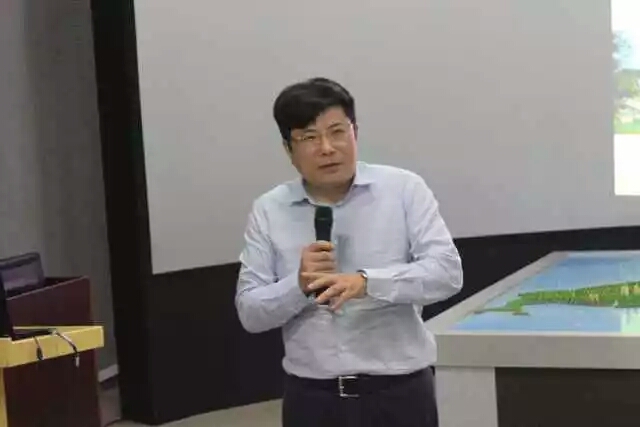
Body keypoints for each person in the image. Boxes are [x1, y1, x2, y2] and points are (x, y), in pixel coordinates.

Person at [235, 77, 463, 427]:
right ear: (288, 149)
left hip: (400, 392)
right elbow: (250, 313)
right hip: (312, 398)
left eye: (337, 132)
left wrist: (367, 283)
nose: (327, 148)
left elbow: (447, 273)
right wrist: (299, 285)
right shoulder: (269, 210)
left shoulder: (403, 190)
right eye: (309, 138)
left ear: (355, 132)